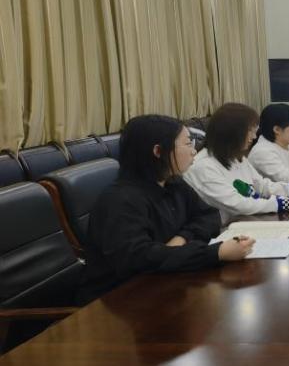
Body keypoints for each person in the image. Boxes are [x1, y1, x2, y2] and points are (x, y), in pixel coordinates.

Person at [77, 114, 254, 303]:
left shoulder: (173, 182)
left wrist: (182, 238)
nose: (194, 151)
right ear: (158, 151)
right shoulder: (120, 200)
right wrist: (217, 253)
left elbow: (208, 216)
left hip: (163, 283)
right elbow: (140, 259)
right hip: (119, 300)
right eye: (188, 143)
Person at [184, 102, 289, 224]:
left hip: (250, 221)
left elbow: (263, 186)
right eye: (250, 131)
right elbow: (239, 204)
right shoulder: (203, 167)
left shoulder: (235, 157)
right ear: (232, 133)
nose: (253, 137)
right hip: (225, 232)